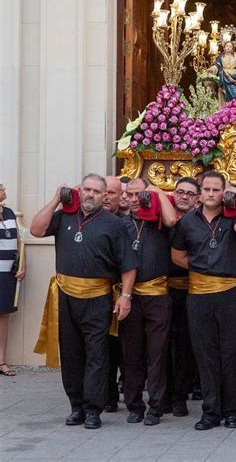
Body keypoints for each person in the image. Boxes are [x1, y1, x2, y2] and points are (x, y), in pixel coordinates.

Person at [31, 174, 138, 429]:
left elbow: (129, 265)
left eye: (96, 191)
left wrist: (125, 296)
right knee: (71, 353)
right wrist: (57, 198)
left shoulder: (114, 224)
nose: (90, 194)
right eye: (86, 190)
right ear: (80, 192)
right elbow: (36, 229)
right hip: (66, 296)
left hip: (98, 298)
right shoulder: (64, 216)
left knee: (97, 355)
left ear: (104, 196)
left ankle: (93, 409)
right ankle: (76, 406)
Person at [171, 171, 236, 431]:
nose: (211, 194)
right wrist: (205, 267)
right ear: (200, 193)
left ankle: (232, 411)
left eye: (217, 190)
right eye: (207, 190)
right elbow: (178, 256)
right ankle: (211, 411)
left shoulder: (234, 215)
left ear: (223, 192)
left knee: (232, 353)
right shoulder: (188, 221)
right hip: (200, 295)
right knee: (206, 354)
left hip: (231, 294)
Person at [120, 178, 176, 426]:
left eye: (138, 195)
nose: (133, 200)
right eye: (129, 195)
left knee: (157, 353)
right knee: (131, 353)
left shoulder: (159, 222)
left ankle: (156, 406)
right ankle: (134, 405)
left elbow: (173, 219)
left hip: (157, 295)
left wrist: (157, 192)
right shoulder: (119, 223)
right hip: (129, 296)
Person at [167, 177, 201, 417]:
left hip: (192, 288)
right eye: (180, 192)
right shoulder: (162, 219)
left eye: (190, 193)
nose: (184, 196)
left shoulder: (198, 223)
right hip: (163, 290)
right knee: (164, 347)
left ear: (197, 198)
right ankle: (164, 394)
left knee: (186, 347)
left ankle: (181, 396)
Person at [102, 175, 126, 413]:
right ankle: (107, 394)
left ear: (121, 196)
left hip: (123, 291)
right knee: (104, 345)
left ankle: (127, 387)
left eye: (112, 193)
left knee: (124, 345)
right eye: (104, 192)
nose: (107, 197)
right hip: (98, 291)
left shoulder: (126, 223)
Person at [0, 182, 26, 376]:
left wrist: (23, 264)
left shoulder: (9, 213)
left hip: (7, 274)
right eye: (1, 189)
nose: (4, 192)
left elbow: (19, 240)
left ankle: (2, 361)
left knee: (3, 317)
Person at [208, 35, 236, 104]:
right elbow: (217, 65)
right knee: (227, 97)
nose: (228, 48)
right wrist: (212, 69)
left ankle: (235, 107)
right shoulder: (221, 57)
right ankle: (228, 107)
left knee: (235, 94)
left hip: (235, 77)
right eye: (227, 46)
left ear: (233, 48)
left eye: (230, 46)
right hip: (224, 78)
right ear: (224, 47)